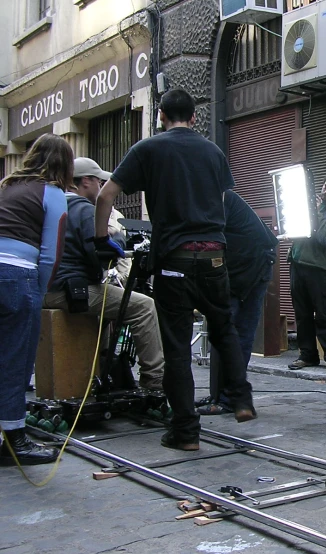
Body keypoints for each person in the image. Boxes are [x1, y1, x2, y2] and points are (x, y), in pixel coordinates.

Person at [93, 88, 256, 452]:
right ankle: (242, 400)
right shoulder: (213, 152)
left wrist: (101, 239)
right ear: (195, 117)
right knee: (224, 329)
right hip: (214, 256)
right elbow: (225, 200)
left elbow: (105, 196)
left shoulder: (148, 149)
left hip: (175, 261)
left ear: (161, 115)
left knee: (178, 349)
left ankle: (185, 433)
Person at [43, 157, 165, 391]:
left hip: (47, 289)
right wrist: (117, 233)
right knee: (144, 307)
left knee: (108, 306)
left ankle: (101, 369)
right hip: (70, 290)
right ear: (86, 181)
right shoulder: (83, 209)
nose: (102, 187)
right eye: (100, 182)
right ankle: (155, 379)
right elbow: (103, 252)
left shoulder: (51, 205)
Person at [0, 133, 72, 466]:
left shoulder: (7, 187)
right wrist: (40, 291)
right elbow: (50, 254)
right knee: (16, 360)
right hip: (18, 276)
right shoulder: (54, 194)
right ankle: (15, 441)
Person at [198, 190, 278, 415]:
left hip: (252, 265)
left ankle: (228, 399)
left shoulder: (216, 196)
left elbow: (210, 240)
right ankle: (220, 395)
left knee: (235, 333)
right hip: (244, 263)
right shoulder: (208, 196)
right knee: (228, 332)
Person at [286, 171, 326, 372]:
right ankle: (307, 356)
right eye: (325, 186)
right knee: (302, 314)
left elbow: (324, 238)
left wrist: (316, 212)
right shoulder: (306, 205)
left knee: (323, 313)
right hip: (297, 263)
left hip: (318, 268)